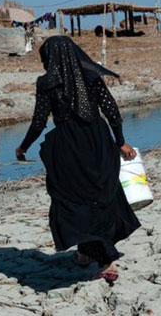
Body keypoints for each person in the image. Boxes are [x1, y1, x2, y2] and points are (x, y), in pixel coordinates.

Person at [15, 36, 140, 283]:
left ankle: (103, 260)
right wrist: (120, 142)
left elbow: (39, 121)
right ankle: (85, 252)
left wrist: (23, 147)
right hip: (98, 141)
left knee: (73, 200)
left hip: (69, 147)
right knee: (101, 196)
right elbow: (112, 111)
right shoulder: (91, 76)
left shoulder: (47, 82)